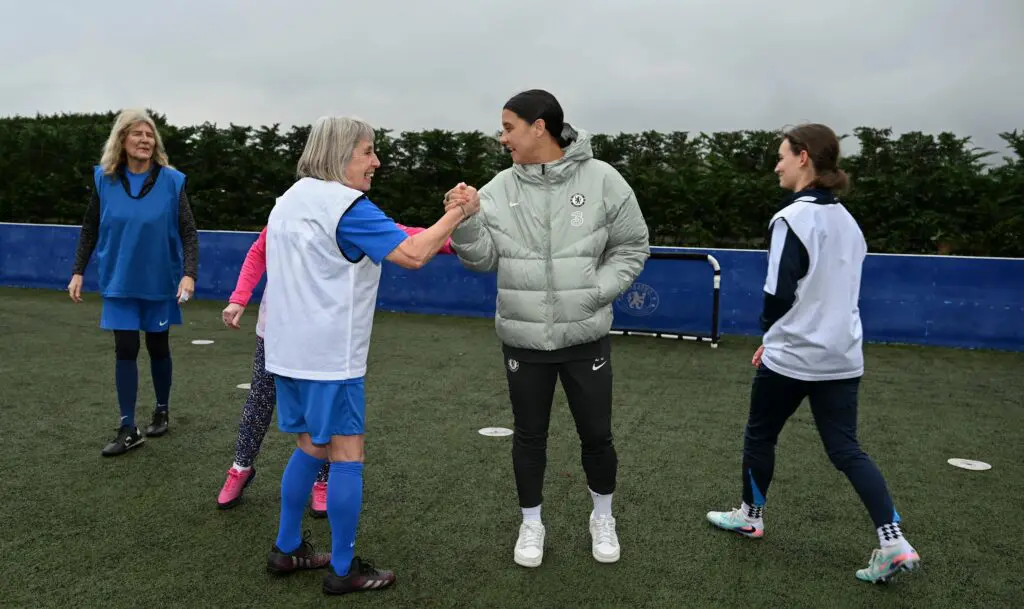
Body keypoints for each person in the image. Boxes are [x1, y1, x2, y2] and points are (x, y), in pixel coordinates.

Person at [261, 115, 479, 596]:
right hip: (329, 357)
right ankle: (343, 570)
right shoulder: (348, 206)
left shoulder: (289, 199)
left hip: (284, 352)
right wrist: (461, 211)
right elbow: (414, 253)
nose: (376, 161)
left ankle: (287, 546)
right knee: (346, 453)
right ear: (340, 154)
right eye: (367, 151)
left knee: (309, 447)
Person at [704, 123, 921, 584]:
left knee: (760, 436)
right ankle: (893, 540)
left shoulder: (792, 218)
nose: (777, 165)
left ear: (803, 157)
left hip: (793, 356)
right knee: (847, 450)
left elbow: (778, 294)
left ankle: (751, 516)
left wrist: (768, 334)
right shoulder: (849, 222)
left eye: (782, 156)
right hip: (843, 356)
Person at [445, 89, 650, 568]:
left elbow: (633, 246)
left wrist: (595, 291)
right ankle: (531, 524)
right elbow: (481, 260)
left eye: (508, 127)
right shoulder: (497, 189)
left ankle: (603, 517)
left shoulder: (604, 180)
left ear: (540, 127)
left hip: (586, 338)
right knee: (529, 437)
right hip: (524, 340)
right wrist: (466, 221)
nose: (502, 138)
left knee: (597, 435)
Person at [217, 223, 454, 514]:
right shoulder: (289, 208)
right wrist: (239, 297)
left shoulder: (350, 211)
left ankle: (323, 480)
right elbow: (259, 252)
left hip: (322, 336)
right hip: (276, 331)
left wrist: (457, 239)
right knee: (260, 401)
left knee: (321, 409)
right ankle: (241, 467)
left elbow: (399, 235)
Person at [68, 108, 199, 457]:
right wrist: (78, 269)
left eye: (149, 134)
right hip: (119, 280)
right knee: (125, 349)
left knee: (158, 346)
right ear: (122, 140)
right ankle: (128, 426)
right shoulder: (104, 179)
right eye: (137, 134)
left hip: (159, 280)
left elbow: (188, 230)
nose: (145, 140)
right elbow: (90, 225)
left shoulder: (172, 181)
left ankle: (162, 409)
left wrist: (189, 273)